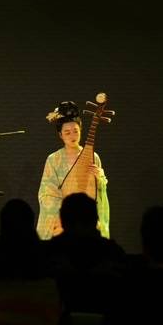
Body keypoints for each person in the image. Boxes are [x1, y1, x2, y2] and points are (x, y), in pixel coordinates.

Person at [37, 101, 109, 239]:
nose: (72, 136)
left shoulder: (93, 157)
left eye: (76, 131)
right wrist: (67, 212)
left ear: (81, 131)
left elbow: (98, 192)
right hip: (62, 219)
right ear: (60, 135)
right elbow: (47, 194)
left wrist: (100, 178)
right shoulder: (53, 159)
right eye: (67, 132)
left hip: (86, 218)